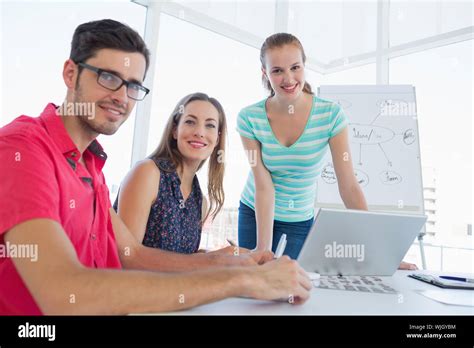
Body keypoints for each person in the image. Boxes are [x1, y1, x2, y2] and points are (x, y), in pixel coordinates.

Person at [0, 20, 311, 315]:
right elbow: (63, 294)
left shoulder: (90, 167)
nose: (121, 96)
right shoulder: (23, 148)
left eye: (133, 85)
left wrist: (232, 263)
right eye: (108, 77)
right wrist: (243, 280)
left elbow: (131, 254)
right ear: (70, 73)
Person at [236, 33, 417, 270]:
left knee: (290, 293)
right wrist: (263, 248)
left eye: (295, 67)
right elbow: (263, 184)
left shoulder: (330, 115)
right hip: (254, 214)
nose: (288, 78)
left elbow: (349, 185)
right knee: (253, 284)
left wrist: (379, 251)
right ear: (264, 73)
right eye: (277, 71)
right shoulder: (249, 118)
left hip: (298, 221)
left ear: (304, 66)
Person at [114, 92, 233, 255]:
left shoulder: (201, 203)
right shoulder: (147, 173)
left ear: (217, 139)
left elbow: (182, 260)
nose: (199, 132)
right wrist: (210, 260)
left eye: (210, 125)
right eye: (190, 122)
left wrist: (218, 256)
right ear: (175, 131)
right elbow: (126, 256)